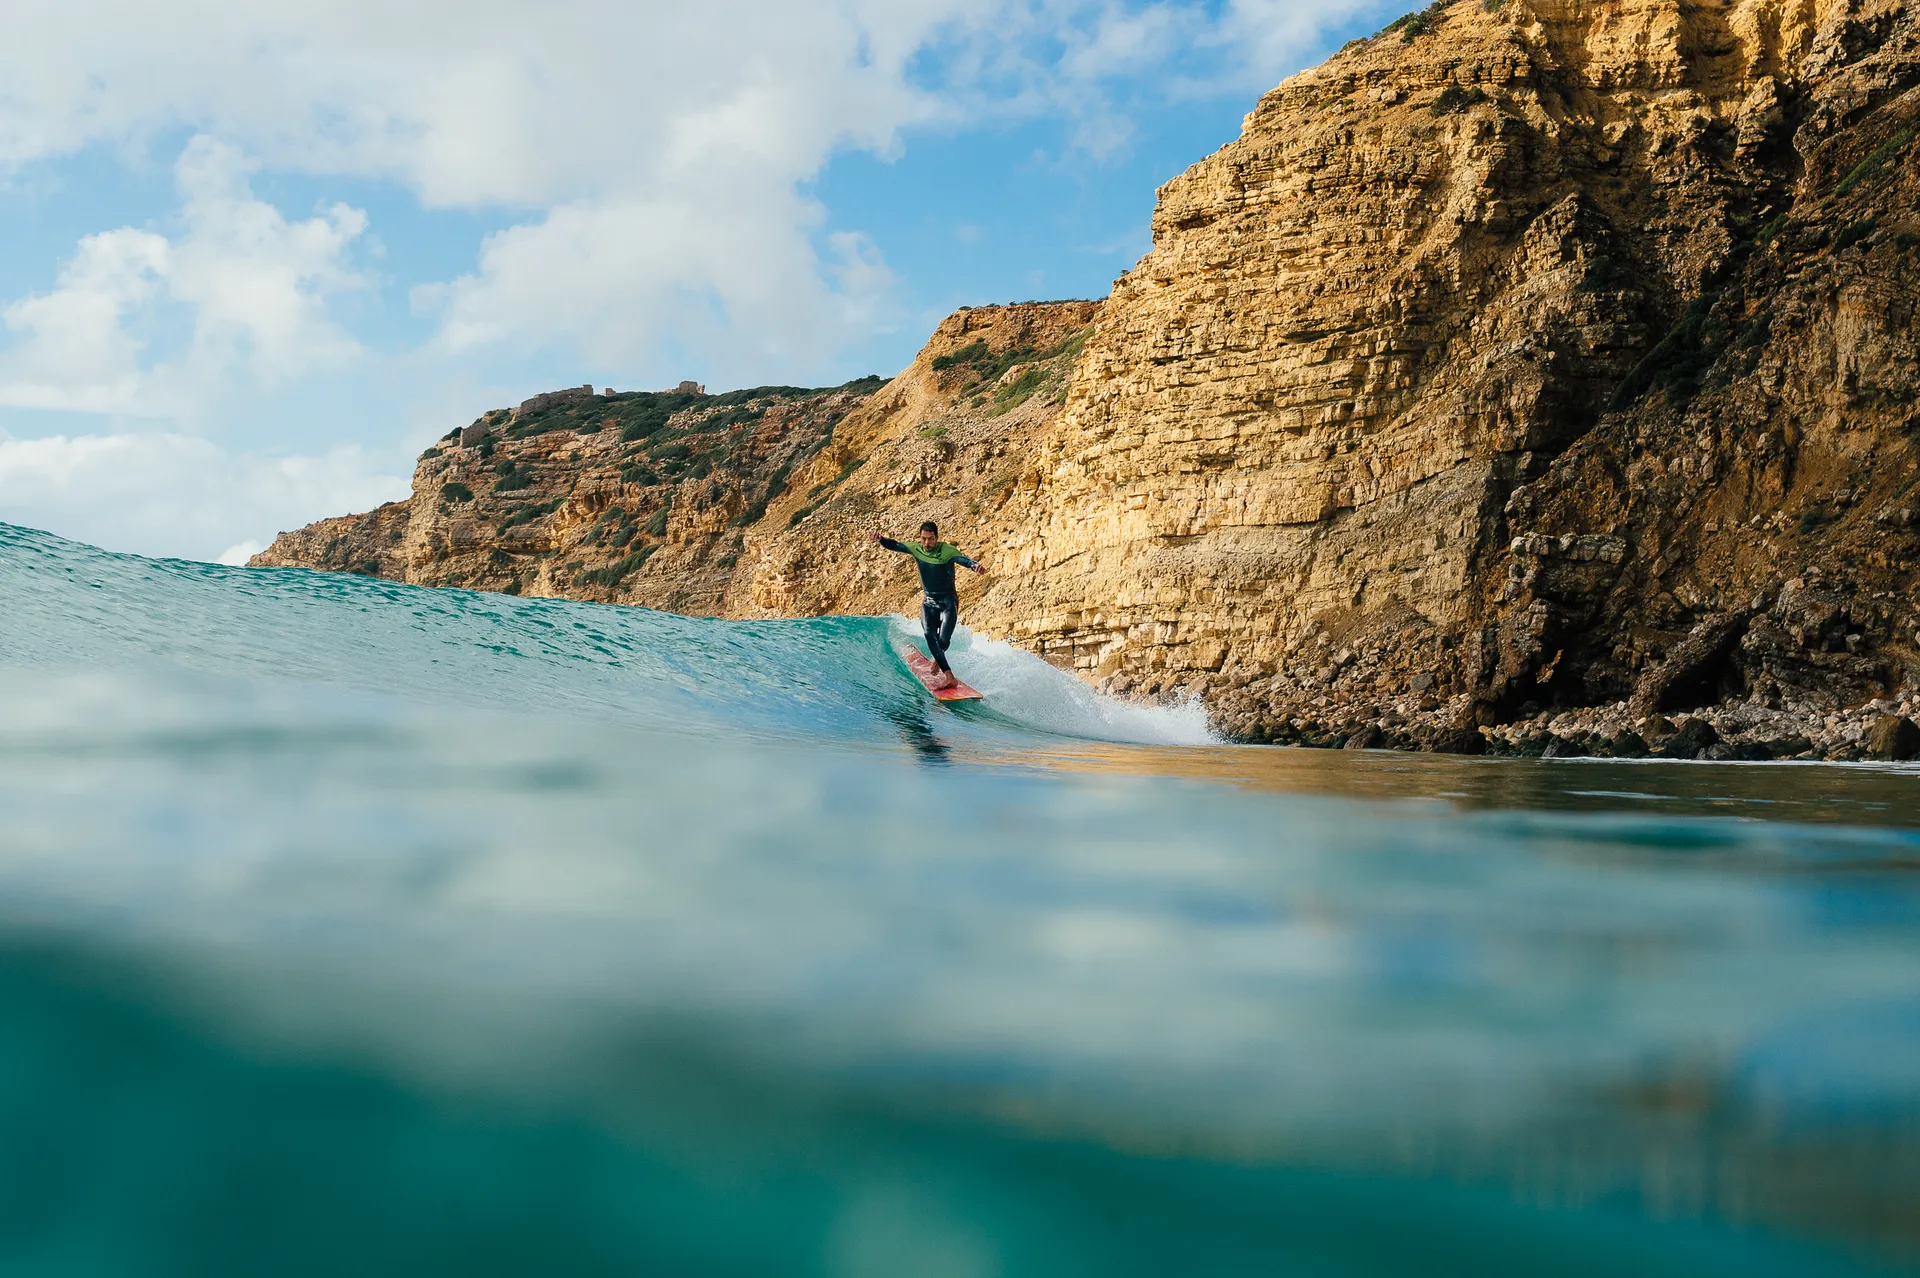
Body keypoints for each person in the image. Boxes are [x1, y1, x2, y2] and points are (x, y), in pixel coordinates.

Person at [870, 521, 985, 689]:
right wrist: (881, 539)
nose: (926, 543)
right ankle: (949, 675)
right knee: (929, 634)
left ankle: (938, 658)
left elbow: (964, 560)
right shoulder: (916, 548)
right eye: (923, 539)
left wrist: (974, 565)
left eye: (931, 539)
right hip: (929, 602)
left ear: (936, 538)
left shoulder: (947, 551)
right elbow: (895, 545)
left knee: (944, 641)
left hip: (948, 602)